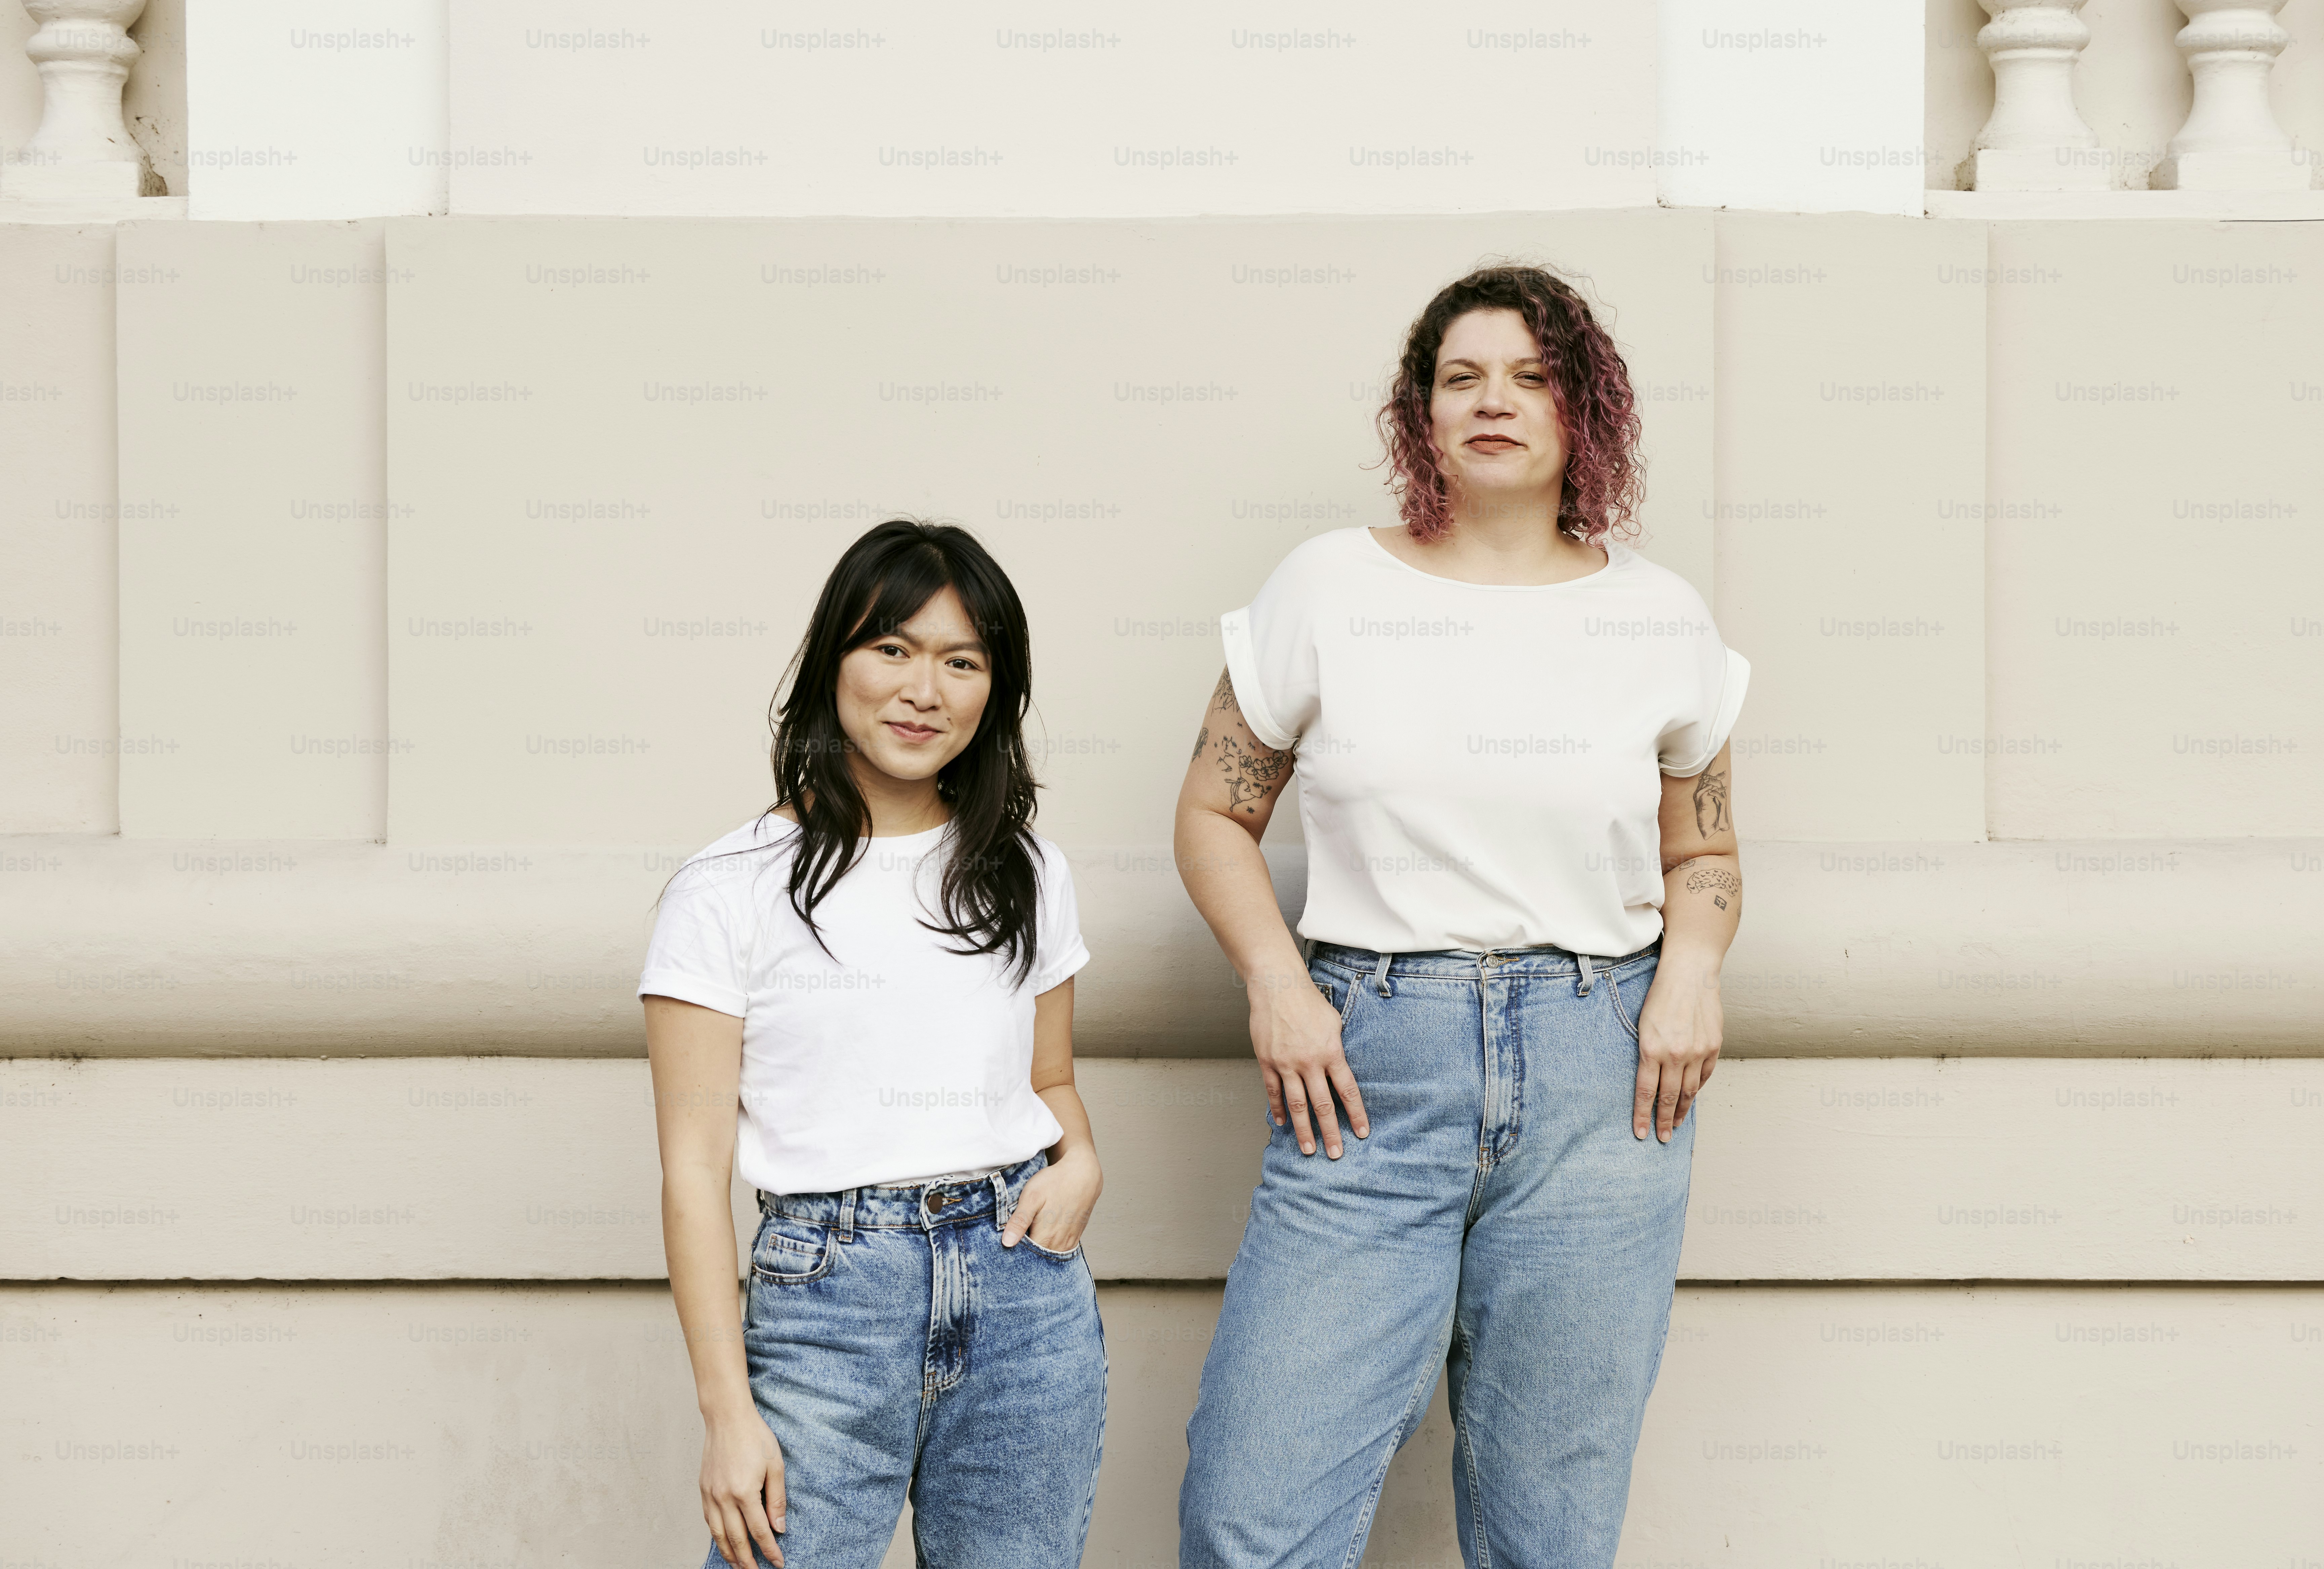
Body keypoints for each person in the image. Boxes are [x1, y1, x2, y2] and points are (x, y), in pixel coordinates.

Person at [1172, 264, 1750, 1568]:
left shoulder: (1658, 616)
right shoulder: (1324, 586)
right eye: (1461, 376)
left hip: (1606, 1074)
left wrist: (1693, 970)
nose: (1494, 400)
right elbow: (1211, 815)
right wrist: (1276, 982)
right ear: (1419, 414)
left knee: (1551, 1528)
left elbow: (1703, 842)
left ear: (1582, 411)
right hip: (1368, 1064)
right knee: (1251, 1514)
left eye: (1532, 375)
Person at [640, 519, 1107, 1569]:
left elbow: (1051, 1080)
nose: (923, 689)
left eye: (961, 661)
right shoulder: (727, 890)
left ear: (996, 692)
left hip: (1026, 1290)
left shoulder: (1026, 869)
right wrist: (727, 1416)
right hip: (829, 1298)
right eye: (891, 649)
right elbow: (692, 1171)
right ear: (832, 664)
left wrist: (1083, 1159)